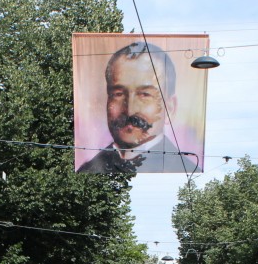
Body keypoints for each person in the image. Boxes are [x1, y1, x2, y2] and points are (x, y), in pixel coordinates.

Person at [77, 41, 198, 174]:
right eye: (118, 94)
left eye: (144, 95)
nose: (130, 110)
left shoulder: (186, 170)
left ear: (170, 107)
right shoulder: (87, 170)